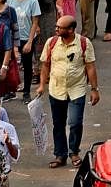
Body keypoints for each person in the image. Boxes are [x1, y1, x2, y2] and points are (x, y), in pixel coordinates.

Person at [37, 16, 98, 168]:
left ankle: (74, 152)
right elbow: (45, 65)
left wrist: (95, 89)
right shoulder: (51, 43)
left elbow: (90, 66)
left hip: (77, 89)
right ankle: (60, 155)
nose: (56, 29)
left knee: (75, 122)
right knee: (58, 124)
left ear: (71, 30)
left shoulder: (84, 43)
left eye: (60, 27)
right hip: (56, 89)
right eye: (57, 26)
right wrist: (41, 85)